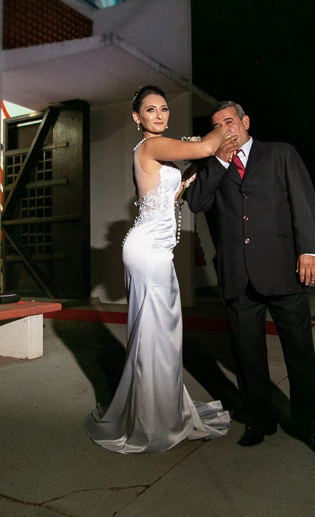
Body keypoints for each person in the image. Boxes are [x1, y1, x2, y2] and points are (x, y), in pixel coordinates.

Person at [85, 85, 237, 453]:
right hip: (148, 252)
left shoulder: (158, 153)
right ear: (137, 117)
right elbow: (206, 147)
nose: (159, 115)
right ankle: (155, 422)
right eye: (151, 110)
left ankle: (161, 412)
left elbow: (163, 197)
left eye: (164, 109)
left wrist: (183, 183)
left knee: (162, 335)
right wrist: (225, 126)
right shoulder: (152, 146)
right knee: (158, 336)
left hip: (155, 251)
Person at [185, 101, 315, 457]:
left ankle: (308, 423)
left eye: (229, 121)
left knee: (299, 351)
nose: (225, 129)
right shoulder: (215, 164)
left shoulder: (281, 154)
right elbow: (196, 203)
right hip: (238, 275)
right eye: (217, 125)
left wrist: (309, 250)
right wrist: (219, 161)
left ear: (245, 122)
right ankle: (260, 417)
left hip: (284, 269)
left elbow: (303, 202)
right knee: (246, 354)